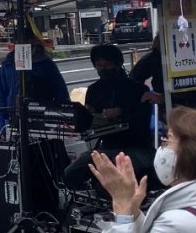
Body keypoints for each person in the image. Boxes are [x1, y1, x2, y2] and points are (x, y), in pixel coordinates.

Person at [88, 107, 196, 232]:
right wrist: (133, 213)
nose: (161, 148)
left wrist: (123, 206)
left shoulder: (178, 223)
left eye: (167, 140)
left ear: (192, 153)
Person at [65, 43, 154, 190]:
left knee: (108, 179)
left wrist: (121, 113)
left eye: (108, 65)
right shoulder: (94, 90)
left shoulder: (138, 90)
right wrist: (87, 114)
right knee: (71, 173)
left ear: (118, 64)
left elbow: (141, 124)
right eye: (99, 66)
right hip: (106, 147)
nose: (103, 69)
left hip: (137, 147)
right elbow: (88, 123)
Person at [0, 39, 70, 134]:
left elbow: (62, 96)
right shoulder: (8, 65)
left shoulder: (47, 65)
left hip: (44, 123)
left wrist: (63, 121)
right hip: (14, 122)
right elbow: (1, 97)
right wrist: (2, 126)